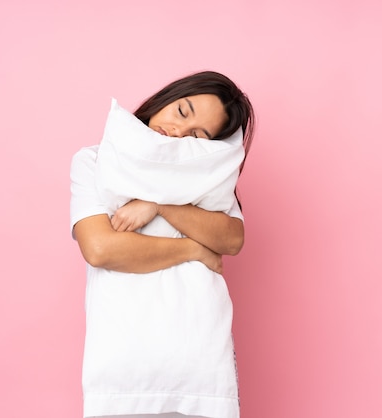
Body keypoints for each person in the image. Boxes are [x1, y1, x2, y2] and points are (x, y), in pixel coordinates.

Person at [70, 70, 255, 418]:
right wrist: (195, 249)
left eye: (197, 136)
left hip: (199, 362)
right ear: (165, 98)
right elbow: (101, 250)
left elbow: (232, 238)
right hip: (122, 362)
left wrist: (160, 205)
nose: (178, 132)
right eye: (182, 113)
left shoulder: (207, 177)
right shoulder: (95, 161)